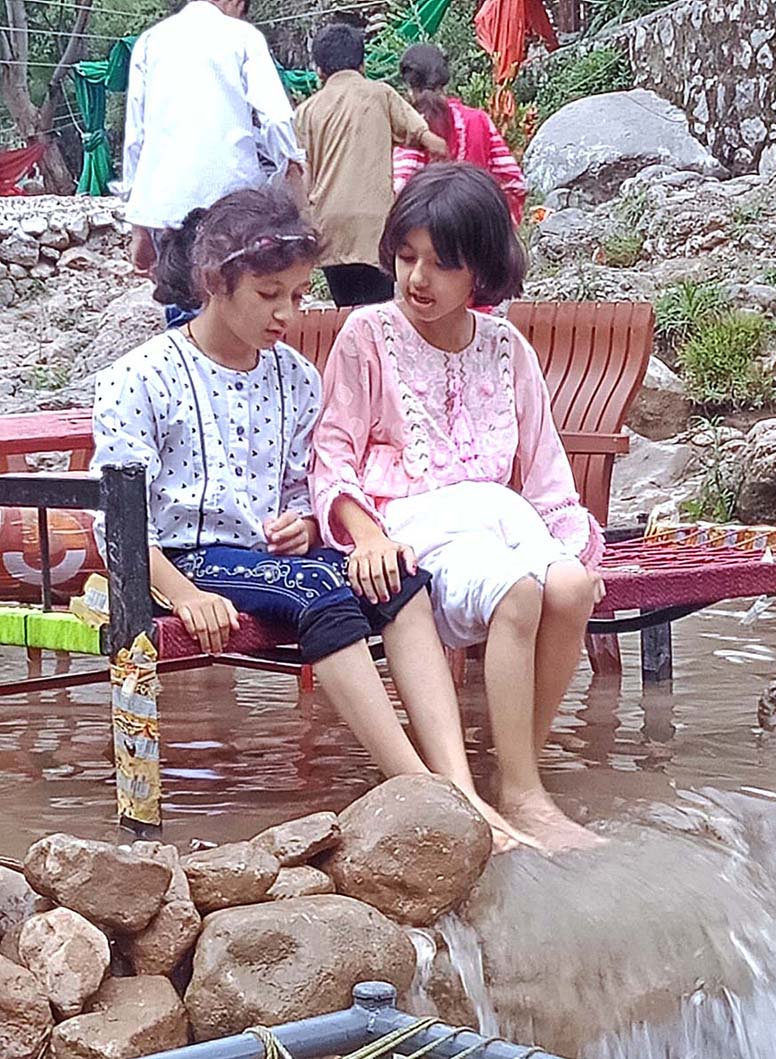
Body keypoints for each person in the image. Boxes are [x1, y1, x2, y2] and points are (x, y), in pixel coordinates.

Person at [90, 185, 522, 854]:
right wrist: (184, 594)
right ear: (214, 281)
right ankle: (423, 792)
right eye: (270, 295)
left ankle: (459, 782)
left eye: (298, 294)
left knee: (402, 580)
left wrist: (306, 525)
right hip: (185, 559)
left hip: (272, 562)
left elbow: (305, 489)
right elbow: (116, 528)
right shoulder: (139, 378)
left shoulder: (295, 378)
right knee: (318, 591)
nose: (289, 313)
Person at [311, 164, 606, 852]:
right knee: (518, 591)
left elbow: (545, 471)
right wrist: (366, 538)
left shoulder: (508, 349)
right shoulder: (368, 335)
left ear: (482, 271)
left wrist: (568, 546)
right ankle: (525, 794)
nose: (418, 277)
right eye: (408, 256)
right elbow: (332, 455)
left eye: (442, 264)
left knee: (568, 587)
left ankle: (516, 780)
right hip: (413, 524)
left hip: (498, 520)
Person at [123, 0, 305, 282]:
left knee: (182, 298)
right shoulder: (243, 37)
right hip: (232, 202)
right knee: (233, 293)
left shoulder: (149, 43)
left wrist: (139, 224)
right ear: (236, 2)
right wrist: (290, 166)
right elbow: (277, 118)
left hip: (169, 207)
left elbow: (136, 137)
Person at [294, 23, 447, 309]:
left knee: (348, 311)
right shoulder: (379, 94)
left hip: (330, 227)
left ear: (319, 71)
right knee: (379, 313)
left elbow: (302, 174)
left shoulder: (306, 112)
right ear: (362, 63)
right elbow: (422, 135)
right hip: (374, 226)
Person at [393, 44, 526, 226]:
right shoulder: (479, 120)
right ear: (445, 82)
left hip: (431, 242)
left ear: (409, 88)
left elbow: (400, 189)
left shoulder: (411, 128)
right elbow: (514, 183)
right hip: (478, 236)